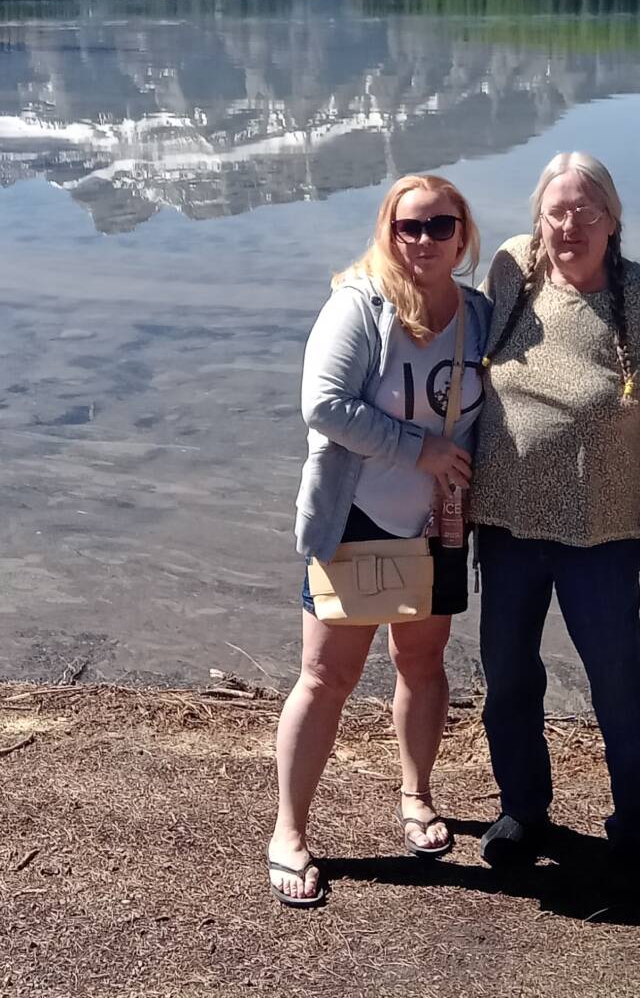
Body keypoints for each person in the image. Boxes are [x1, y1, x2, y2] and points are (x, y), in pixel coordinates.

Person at [268, 174, 491, 905]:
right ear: (387, 232)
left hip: (440, 524)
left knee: (421, 664)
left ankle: (416, 796)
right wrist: (417, 450)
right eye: (408, 226)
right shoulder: (359, 307)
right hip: (358, 518)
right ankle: (290, 832)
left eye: (440, 225)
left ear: (463, 235)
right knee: (326, 678)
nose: (424, 239)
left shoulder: (480, 315)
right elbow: (323, 405)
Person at [470, 151, 640, 874]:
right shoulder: (511, 269)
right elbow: (457, 354)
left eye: (585, 211)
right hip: (505, 524)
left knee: (619, 684)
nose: (570, 226)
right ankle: (523, 810)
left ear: (612, 219)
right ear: (538, 218)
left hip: (600, 533)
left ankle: (637, 826)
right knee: (509, 678)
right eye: (557, 211)